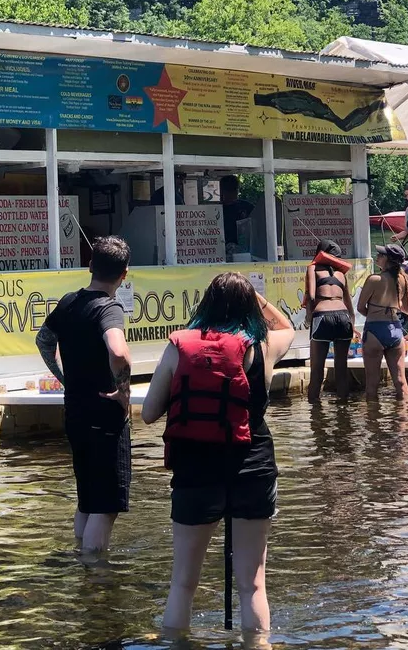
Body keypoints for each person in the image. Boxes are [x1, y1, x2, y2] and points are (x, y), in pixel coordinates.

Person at [141, 272, 295, 638]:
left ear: (205, 303)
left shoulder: (179, 346)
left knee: (182, 583)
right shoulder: (263, 345)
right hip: (252, 468)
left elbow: (148, 413)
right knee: (253, 585)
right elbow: (288, 325)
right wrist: (255, 296)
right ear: (250, 306)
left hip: (195, 471)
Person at [35, 236, 132, 552]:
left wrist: (64, 376)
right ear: (124, 274)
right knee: (105, 507)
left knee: (87, 499)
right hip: (104, 415)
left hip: (74, 410)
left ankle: (81, 563)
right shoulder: (109, 307)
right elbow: (118, 351)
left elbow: (44, 340)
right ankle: (96, 576)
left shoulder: (68, 302)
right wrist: (124, 391)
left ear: (90, 266)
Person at [357, 244, 408, 401]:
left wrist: (375, 314)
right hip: (395, 330)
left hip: (375, 329)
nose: (377, 256)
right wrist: (392, 305)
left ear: (388, 260)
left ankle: (373, 422)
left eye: (381, 255)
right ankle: (403, 420)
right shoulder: (403, 279)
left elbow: (361, 307)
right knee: (401, 382)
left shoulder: (374, 279)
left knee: (372, 384)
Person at [305, 240, 356, 403]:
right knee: (341, 368)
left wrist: (309, 317)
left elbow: (311, 296)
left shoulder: (313, 268)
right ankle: (343, 411)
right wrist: (352, 325)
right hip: (343, 317)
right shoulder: (342, 273)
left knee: (317, 369)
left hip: (322, 317)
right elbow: (349, 304)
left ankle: (315, 411)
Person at [220, 174, 254, 247]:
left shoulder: (247, 207)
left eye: (233, 189)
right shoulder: (216, 210)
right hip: (222, 249)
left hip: (244, 249)